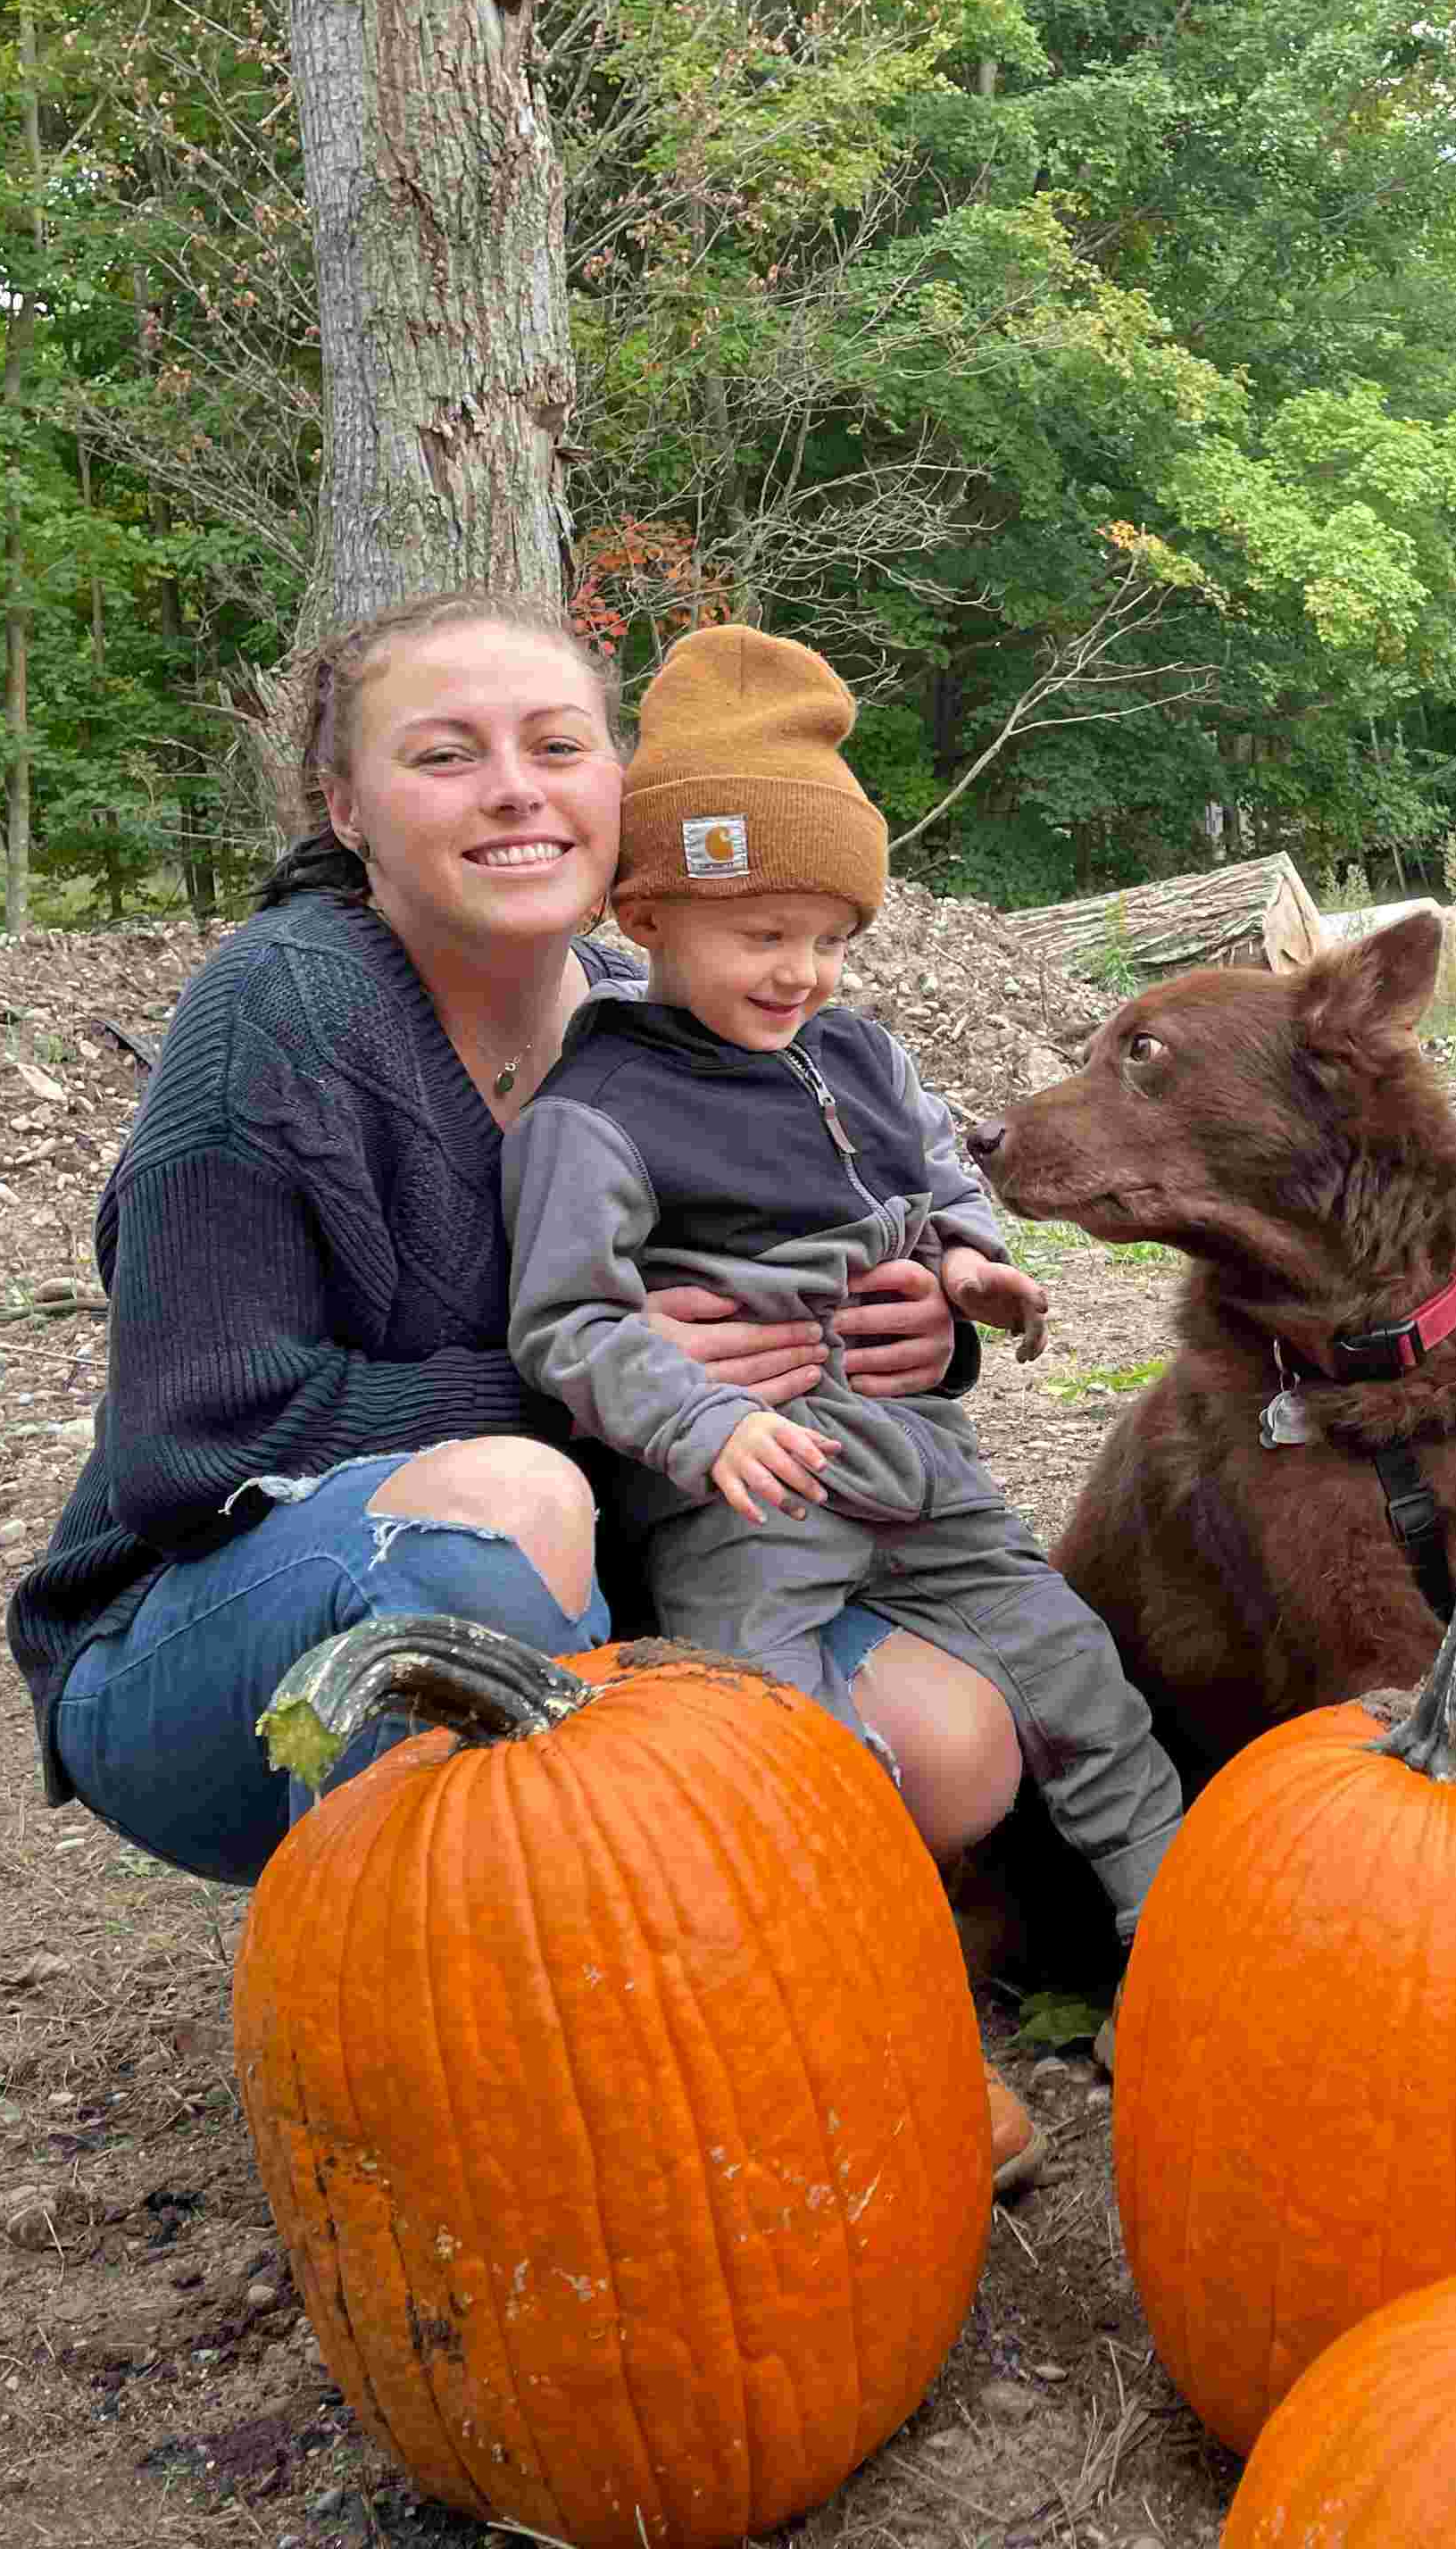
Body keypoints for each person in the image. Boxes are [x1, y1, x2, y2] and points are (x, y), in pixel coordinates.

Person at [4, 590, 1049, 2179]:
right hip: (211, 1651)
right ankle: (507, 2097)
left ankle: (752, 1988)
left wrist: (923, 1326)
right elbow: (185, 1449)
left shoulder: (671, 1018)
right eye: (446, 753)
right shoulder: (280, 1019)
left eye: (558, 745)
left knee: (957, 1740)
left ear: (618, 788)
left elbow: (810, 1262)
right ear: (347, 807)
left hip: (606, 1592)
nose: (515, 788)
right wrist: (574, 1394)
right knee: (517, 1498)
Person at [504, 624, 1186, 1948]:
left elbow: (943, 1181)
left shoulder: (859, 1053)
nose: (799, 973)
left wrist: (981, 1268)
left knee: (1078, 1674)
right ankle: (836, 1975)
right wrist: (703, 1425)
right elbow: (568, 1319)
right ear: (647, 916)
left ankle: (1175, 1927)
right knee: (772, 1733)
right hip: (751, 1499)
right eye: (762, 933)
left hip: (923, 1466)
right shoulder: (598, 1110)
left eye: (829, 938)